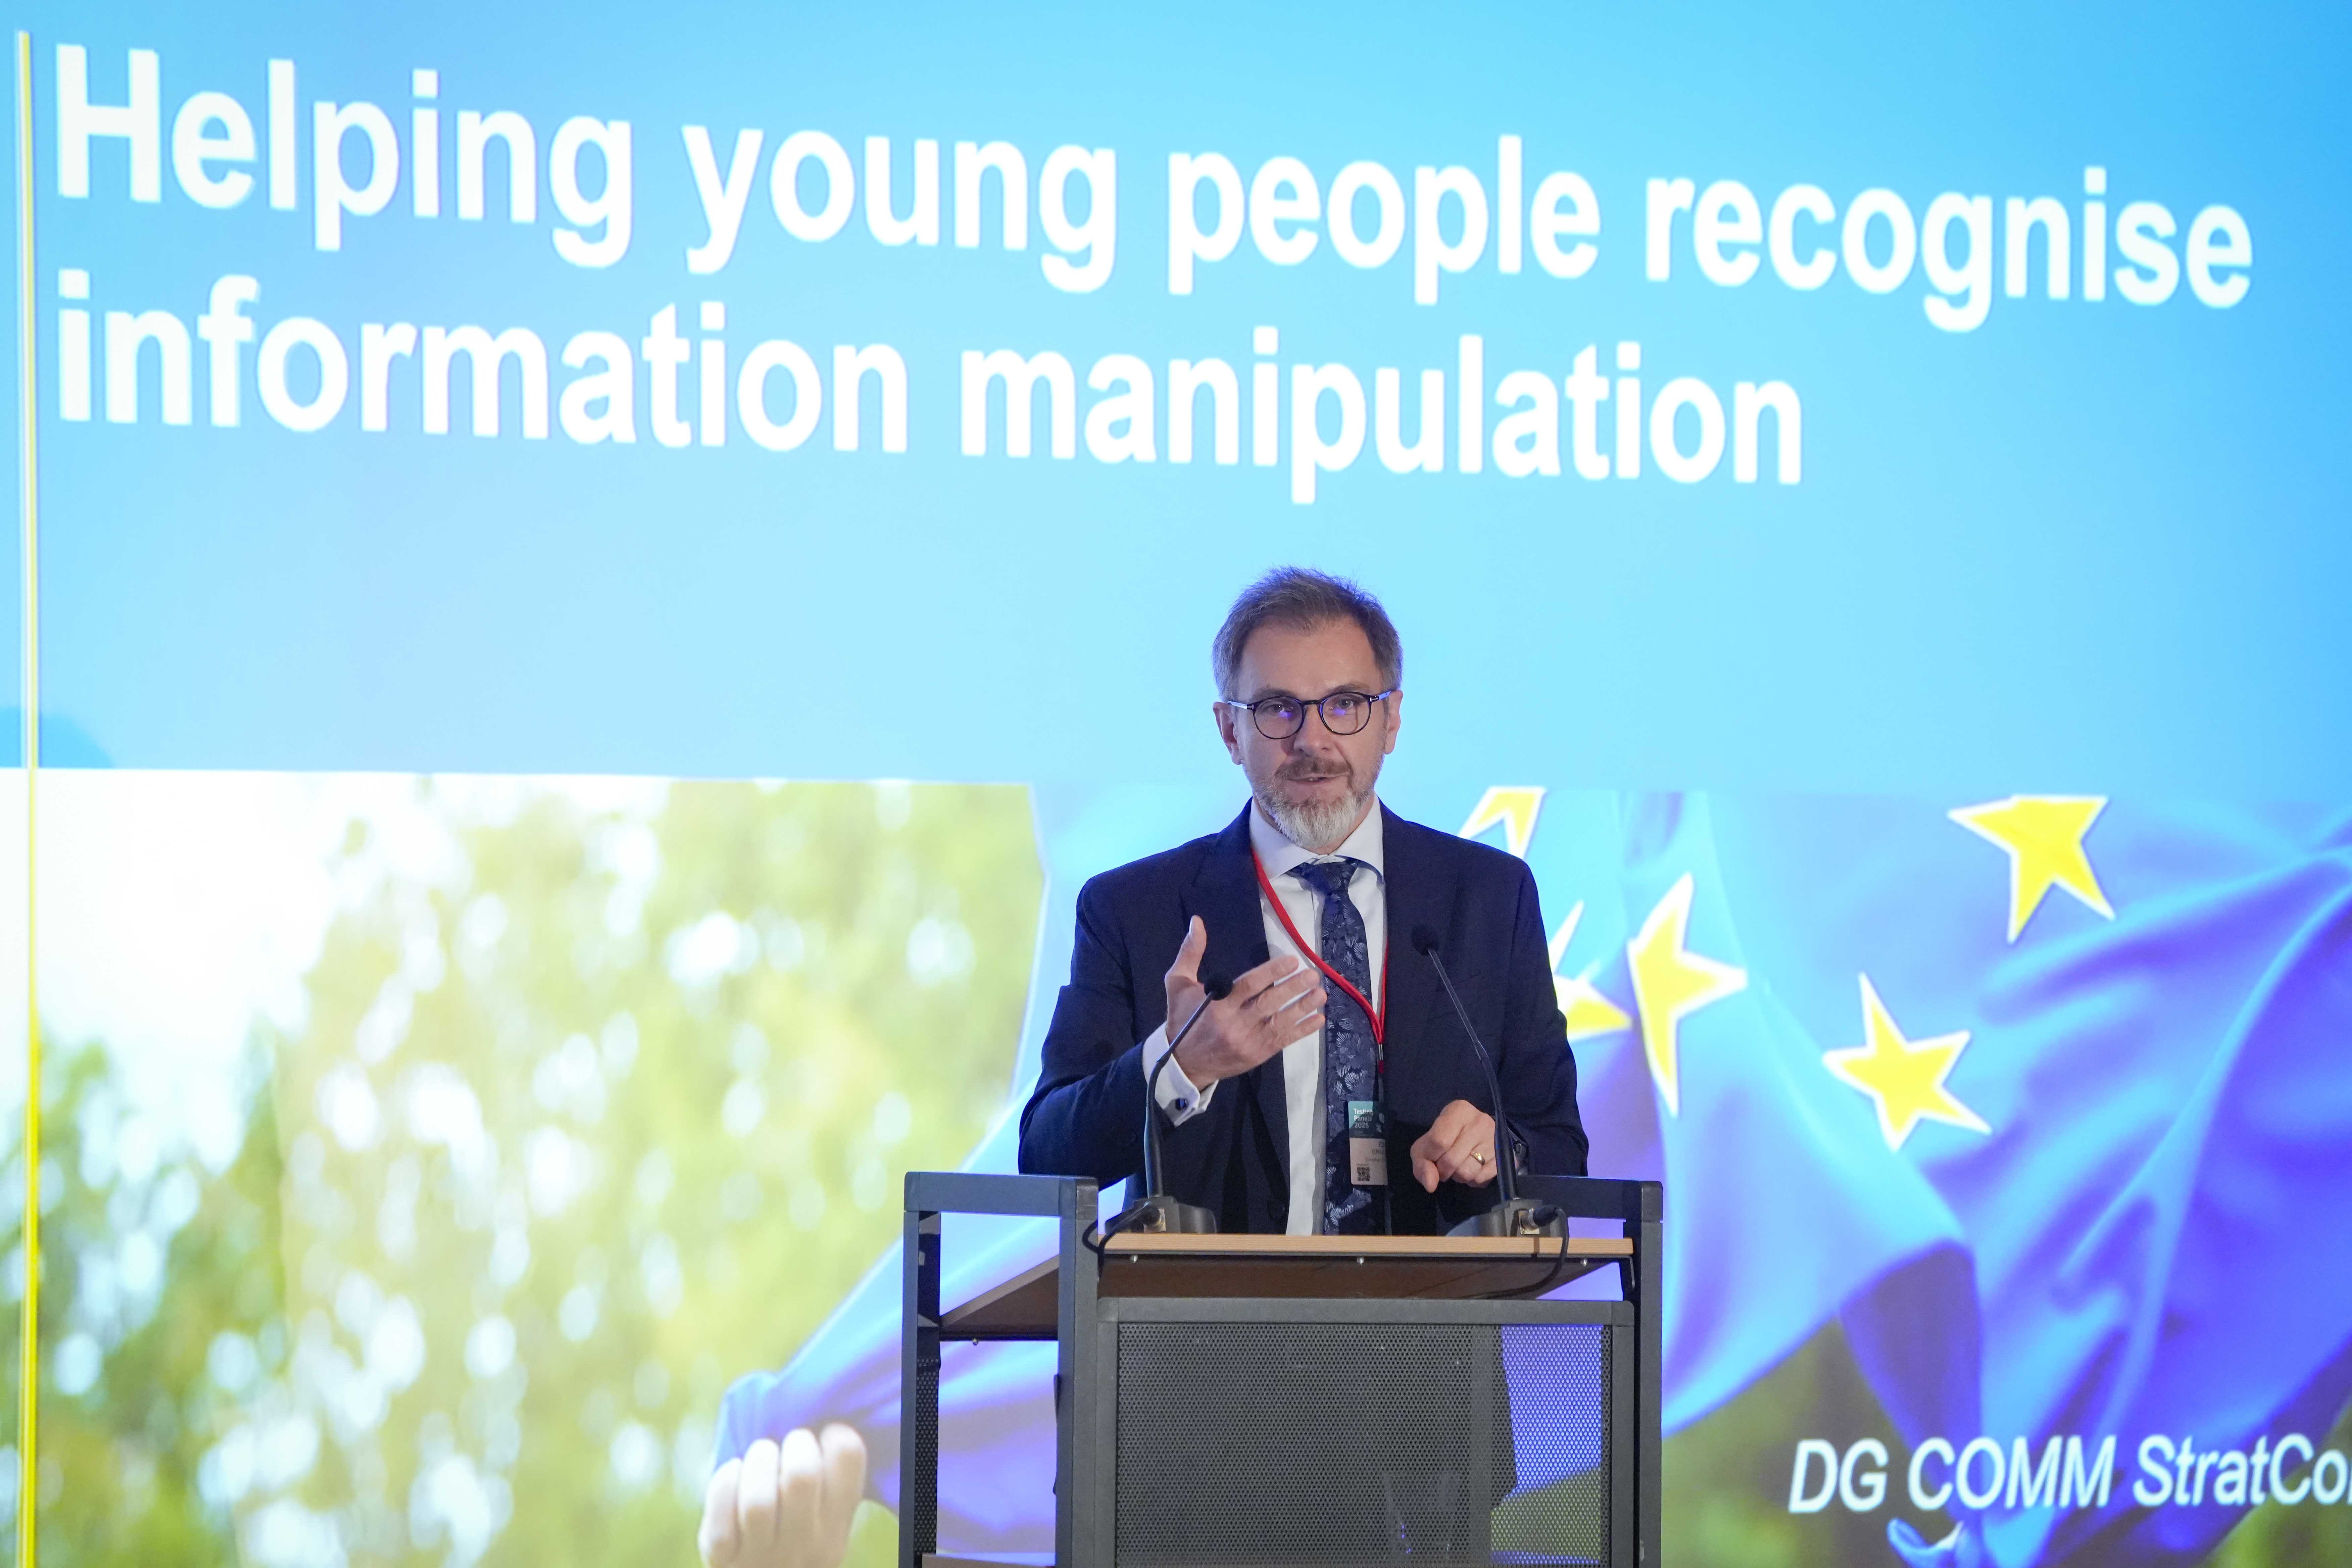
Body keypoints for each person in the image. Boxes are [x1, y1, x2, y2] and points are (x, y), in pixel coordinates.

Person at [1019, 566, 1587, 1233]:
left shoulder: (1490, 897)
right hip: (1209, 1302)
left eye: (1345, 705)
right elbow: (1047, 1153)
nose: (1312, 741)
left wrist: (1500, 1150)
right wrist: (1179, 1064)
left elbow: (1559, 1146)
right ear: (1230, 731)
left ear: (1391, 720)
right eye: (1277, 708)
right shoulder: (1135, 910)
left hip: (1436, 1300)